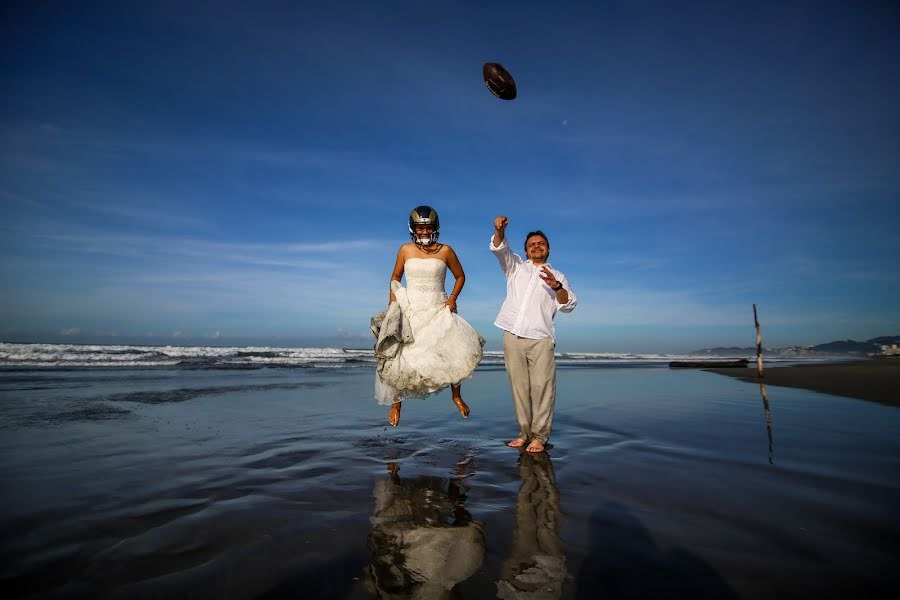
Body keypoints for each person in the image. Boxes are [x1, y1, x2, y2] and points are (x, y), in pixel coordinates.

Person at [372, 205, 484, 427]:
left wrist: (452, 299)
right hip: (411, 307)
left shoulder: (446, 251)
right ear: (413, 229)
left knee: (452, 350)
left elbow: (460, 276)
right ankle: (396, 404)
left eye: (428, 227)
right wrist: (392, 304)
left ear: (435, 228)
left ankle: (456, 396)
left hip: (438, 307)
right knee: (400, 357)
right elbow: (395, 277)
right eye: (420, 228)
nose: (424, 232)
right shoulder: (404, 250)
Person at [490, 215, 577, 453]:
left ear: (548, 249)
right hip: (512, 335)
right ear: (526, 252)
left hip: (540, 337)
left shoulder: (558, 276)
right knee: (519, 388)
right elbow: (500, 249)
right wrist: (499, 231)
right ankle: (524, 433)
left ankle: (540, 436)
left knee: (542, 388)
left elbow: (568, 305)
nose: (536, 246)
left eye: (540, 243)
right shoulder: (515, 267)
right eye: (531, 245)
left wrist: (556, 287)